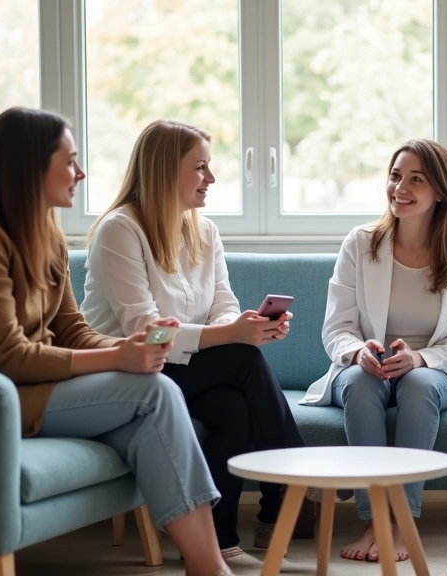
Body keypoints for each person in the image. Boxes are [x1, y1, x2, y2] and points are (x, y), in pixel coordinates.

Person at [0, 107, 234, 576]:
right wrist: (118, 358)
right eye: (70, 161)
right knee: (156, 392)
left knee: (149, 414)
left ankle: (206, 564)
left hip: (31, 387)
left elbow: (71, 330)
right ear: (30, 167)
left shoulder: (47, 234)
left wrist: (126, 350)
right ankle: (212, 569)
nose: (80, 173)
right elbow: (7, 356)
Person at [82, 120, 306, 560]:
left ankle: (219, 542)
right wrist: (232, 335)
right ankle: (294, 476)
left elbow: (223, 304)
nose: (212, 178)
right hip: (128, 373)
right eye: (200, 167)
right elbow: (146, 330)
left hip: (183, 371)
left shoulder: (204, 232)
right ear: (166, 171)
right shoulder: (119, 230)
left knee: (232, 408)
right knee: (242, 358)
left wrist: (244, 325)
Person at [303, 139, 447, 563]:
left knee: (419, 385)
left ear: (440, 191)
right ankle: (374, 520)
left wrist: (420, 358)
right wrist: (358, 353)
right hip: (367, 366)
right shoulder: (361, 243)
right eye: (395, 176)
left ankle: (402, 523)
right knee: (360, 383)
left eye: (416, 179)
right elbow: (336, 328)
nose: (400, 188)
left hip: (435, 370)